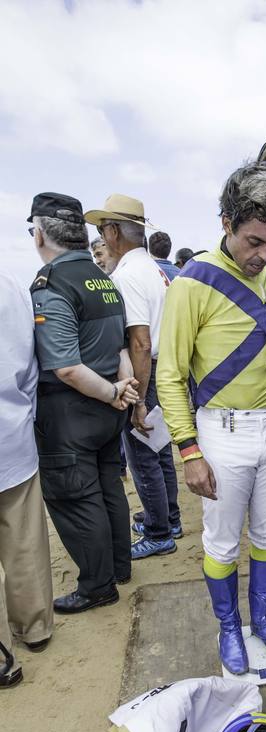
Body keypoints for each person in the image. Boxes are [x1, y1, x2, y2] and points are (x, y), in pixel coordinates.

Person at [157, 161, 266, 676]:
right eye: (254, 241)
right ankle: (230, 627)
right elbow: (170, 375)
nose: (265, 256)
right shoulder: (191, 283)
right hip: (222, 432)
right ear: (226, 223)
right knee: (221, 542)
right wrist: (188, 450)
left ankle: (264, 621)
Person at [29, 192, 138, 614]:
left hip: (73, 410)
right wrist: (120, 389)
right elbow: (120, 344)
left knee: (76, 497)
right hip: (108, 405)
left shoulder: (52, 283)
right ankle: (119, 567)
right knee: (108, 486)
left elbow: (67, 367)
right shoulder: (103, 278)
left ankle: (97, 586)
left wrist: (113, 392)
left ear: (40, 234)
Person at [84, 194, 183, 558]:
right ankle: (168, 517)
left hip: (147, 371)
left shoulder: (127, 275)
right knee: (159, 449)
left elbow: (140, 342)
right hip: (164, 367)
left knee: (142, 454)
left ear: (113, 232)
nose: (102, 236)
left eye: (102, 229)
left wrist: (137, 399)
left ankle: (160, 531)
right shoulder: (155, 269)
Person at [0, 268, 54, 687]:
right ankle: (35, 627)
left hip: (14, 432)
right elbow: (32, 365)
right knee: (23, 539)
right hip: (12, 432)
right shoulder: (12, 285)